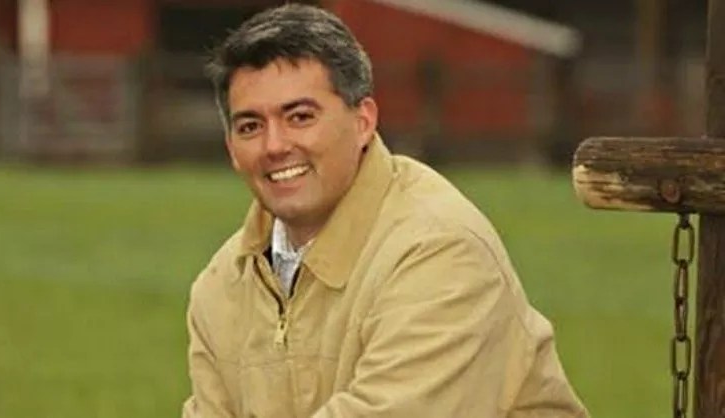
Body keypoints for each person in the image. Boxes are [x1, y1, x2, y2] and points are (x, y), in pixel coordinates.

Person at [182, 4, 588, 417]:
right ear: (231, 148)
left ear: (363, 122)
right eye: (250, 126)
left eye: (300, 117)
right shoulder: (222, 285)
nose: (274, 146)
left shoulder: (440, 250)